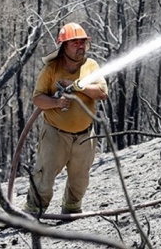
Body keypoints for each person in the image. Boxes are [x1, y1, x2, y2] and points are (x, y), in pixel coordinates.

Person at [23, 22, 108, 215]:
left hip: (85, 136)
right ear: (64, 46)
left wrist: (78, 85)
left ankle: (70, 210)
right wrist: (56, 103)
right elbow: (37, 98)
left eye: (83, 42)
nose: (80, 46)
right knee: (44, 179)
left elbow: (102, 92)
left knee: (80, 181)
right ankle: (32, 214)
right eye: (75, 42)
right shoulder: (51, 69)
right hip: (55, 134)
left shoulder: (91, 66)